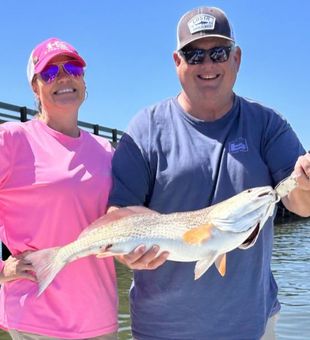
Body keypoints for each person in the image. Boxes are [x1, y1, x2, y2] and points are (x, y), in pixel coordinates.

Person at [107, 6, 310, 340]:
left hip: (251, 325)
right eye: (194, 55)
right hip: (161, 329)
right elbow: (119, 211)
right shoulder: (145, 129)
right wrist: (130, 250)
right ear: (177, 62)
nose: (208, 65)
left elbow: (301, 203)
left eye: (218, 52)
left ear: (237, 58)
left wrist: (305, 182)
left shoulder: (267, 124)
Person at [0, 38, 118, 340]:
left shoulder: (106, 151)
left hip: (100, 317)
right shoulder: (12, 140)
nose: (64, 77)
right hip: (37, 320)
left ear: (83, 78)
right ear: (34, 87)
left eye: (73, 68)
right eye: (50, 73)